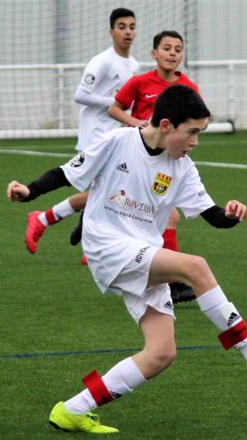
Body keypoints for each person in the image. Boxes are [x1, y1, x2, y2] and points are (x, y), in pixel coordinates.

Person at [7, 84, 247, 434]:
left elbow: (212, 214)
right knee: (196, 267)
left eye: (200, 133)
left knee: (161, 353)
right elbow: (66, 172)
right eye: (191, 132)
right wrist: (29, 192)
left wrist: (231, 214)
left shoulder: (183, 167)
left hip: (142, 253)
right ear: (166, 125)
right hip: (107, 245)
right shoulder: (118, 142)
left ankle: (73, 409)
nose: (195, 141)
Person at [24, 8, 140, 265]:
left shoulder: (133, 65)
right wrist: (115, 102)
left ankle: (73, 230)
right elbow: (80, 94)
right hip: (95, 135)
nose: (128, 31)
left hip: (117, 135)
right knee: (110, 191)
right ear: (112, 32)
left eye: (131, 26)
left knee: (112, 191)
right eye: (122, 27)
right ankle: (58, 225)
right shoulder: (103, 61)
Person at [107, 30, 200, 303]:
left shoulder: (188, 88)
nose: (173, 53)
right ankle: (170, 282)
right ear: (154, 54)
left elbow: (193, 123)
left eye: (178, 49)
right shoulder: (139, 82)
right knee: (160, 216)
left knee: (160, 217)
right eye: (167, 48)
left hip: (166, 163)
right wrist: (138, 124)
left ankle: (160, 280)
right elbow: (114, 109)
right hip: (138, 159)